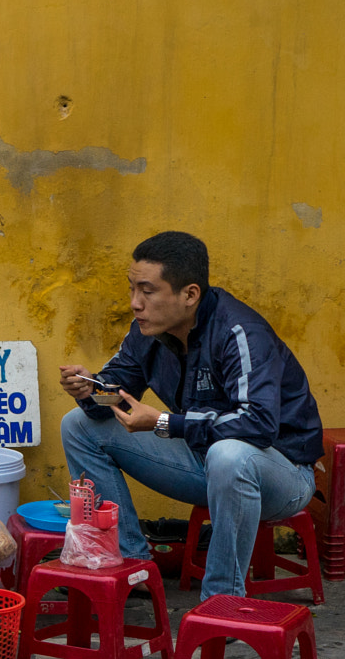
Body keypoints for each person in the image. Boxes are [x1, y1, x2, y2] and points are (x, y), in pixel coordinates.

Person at [57, 230, 325, 602]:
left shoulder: (239, 333)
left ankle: (222, 601)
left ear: (190, 294)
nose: (135, 303)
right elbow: (116, 393)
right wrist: (90, 391)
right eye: (132, 288)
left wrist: (166, 423)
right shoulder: (146, 332)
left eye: (147, 291)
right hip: (204, 463)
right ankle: (129, 566)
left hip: (280, 476)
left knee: (230, 454)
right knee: (78, 426)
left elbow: (258, 423)